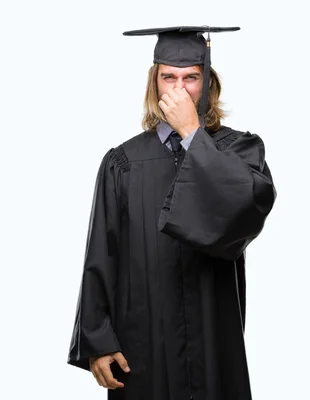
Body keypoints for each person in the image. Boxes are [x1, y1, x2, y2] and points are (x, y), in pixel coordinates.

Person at [67, 26, 276, 400]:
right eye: (169, 77)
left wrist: (194, 133)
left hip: (214, 337)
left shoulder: (239, 151)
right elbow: (102, 252)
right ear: (155, 83)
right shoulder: (123, 162)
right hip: (142, 342)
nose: (179, 88)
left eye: (191, 77)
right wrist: (97, 340)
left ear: (208, 84)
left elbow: (246, 210)